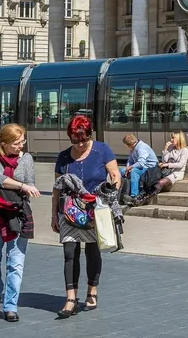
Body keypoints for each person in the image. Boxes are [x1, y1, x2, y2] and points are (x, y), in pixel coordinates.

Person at [52, 115, 119, 319]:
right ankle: (70, 298)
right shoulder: (64, 157)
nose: (80, 144)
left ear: (90, 135)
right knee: (70, 253)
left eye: (83, 139)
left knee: (92, 251)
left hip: (93, 209)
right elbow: (56, 188)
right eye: (75, 140)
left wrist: (113, 187)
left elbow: (115, 174)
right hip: (70, 210)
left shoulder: (102, 150)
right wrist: (54, 214)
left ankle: (92, 290)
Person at [0, 123, 38, 322]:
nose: (21, 146)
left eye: (23, 141)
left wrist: (26, 187)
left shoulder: (27, 159)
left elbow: (30, 182)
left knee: (16, 264)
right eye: (17, 143)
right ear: (4, 143)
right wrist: (21, 186)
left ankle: (10, 306)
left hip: (17, 214)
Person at [134, 131, 188, 206]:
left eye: (173, 138)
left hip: (176, 173)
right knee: (151, 177)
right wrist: (165, 149)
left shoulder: (184, 150)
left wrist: (167, 165)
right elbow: (165, 160)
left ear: (179, 139)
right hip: (166, 171)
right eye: (171, 138)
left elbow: (181, 164)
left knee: (160, 182)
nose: (171, 140)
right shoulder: (171, 148)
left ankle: (146, 199)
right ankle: (140, 195)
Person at [121, 134, 158, 201]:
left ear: (129, 144)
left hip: (149, 168)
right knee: (121, 171)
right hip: (140, 166)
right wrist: (127, 168)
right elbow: (130, 160)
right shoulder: (133, 148)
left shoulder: (141, 148)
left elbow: (141, 163)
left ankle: (134, 195)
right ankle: (119, 192)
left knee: (134, 171)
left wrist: (131, 167)